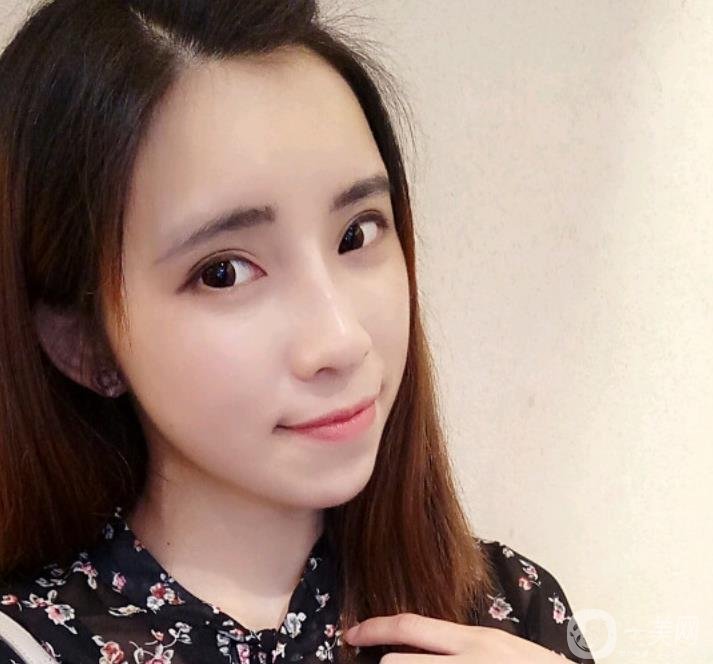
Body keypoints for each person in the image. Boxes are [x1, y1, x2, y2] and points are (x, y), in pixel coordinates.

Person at [0, 1, 594, 663]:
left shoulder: (509, 610)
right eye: (224, 272)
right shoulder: (28, 644)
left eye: (356, 234)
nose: (340, 339)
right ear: (83, 341)